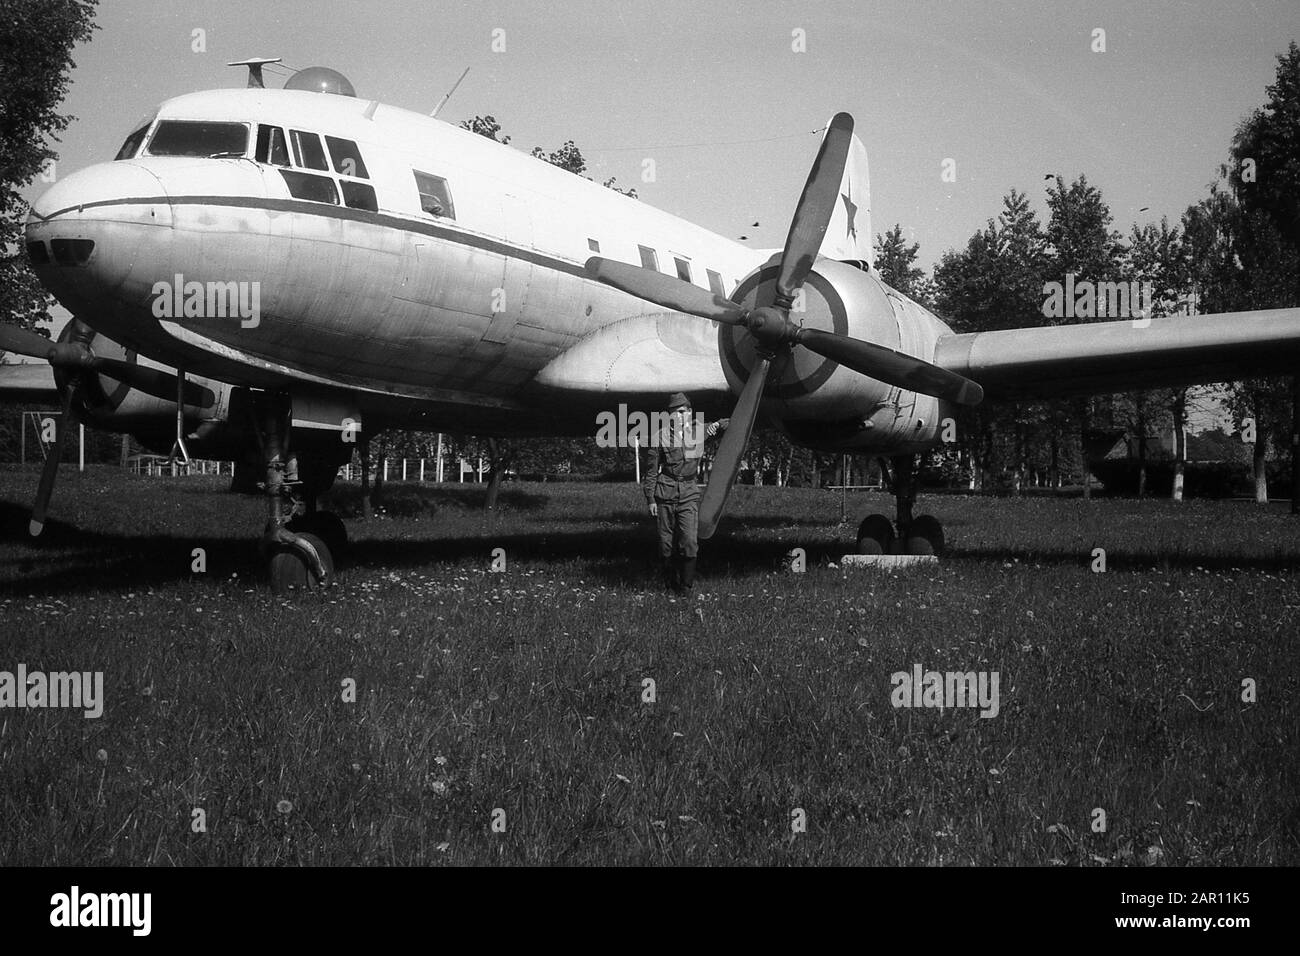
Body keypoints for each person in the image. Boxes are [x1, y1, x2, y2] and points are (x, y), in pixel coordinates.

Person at [642, 392, 728, 591]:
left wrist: (722, 423)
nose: (680, 416)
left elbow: (728, 424)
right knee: (665, 544)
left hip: (689, 493)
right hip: (665, 493)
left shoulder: (699, 431)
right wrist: (650, 499)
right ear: (669, 415)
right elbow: (651, 471)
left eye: (683, 412)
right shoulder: (659, 437)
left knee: (689, 541)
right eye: (675, 412)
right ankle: (669, 584)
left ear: (690, 413)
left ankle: (685, 588)